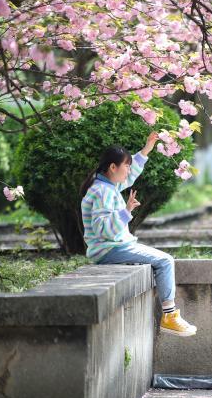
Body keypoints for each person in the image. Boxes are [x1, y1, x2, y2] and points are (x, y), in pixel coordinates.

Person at [79, 132, 197, 337]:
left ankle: (170, 315)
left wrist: (146, 149)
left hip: (114, 247)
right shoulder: (103, 192)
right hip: (110, 250)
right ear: (112, 167)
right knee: (166, 261)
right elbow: (103, 229)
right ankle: (169, 316)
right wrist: (126, 212)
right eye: (125, 166)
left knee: (162, 260)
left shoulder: (107, 185)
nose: (128, 171)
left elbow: (131, 174)